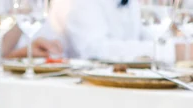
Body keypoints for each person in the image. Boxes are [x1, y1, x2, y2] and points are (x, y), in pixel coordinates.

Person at [49, 0, 180, 62]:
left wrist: (181, 45)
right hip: (88, 91)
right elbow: (94, 50)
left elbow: (147, 34)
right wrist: (172, 51)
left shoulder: (131, 3)